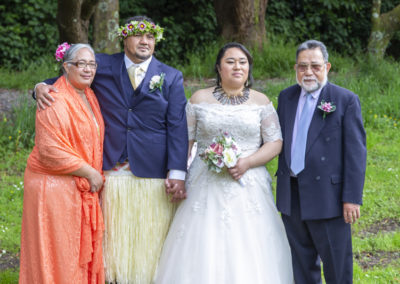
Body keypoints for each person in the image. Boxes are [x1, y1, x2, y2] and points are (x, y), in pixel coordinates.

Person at [35, 16, 188, 283]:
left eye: (150, 37)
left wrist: (177, 171)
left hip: (152, 169)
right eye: (138, 35)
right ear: (124, 37)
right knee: (112, 240)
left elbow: (177, 126)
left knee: (148, 238)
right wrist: (39, 87)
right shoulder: (102, 65)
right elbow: (67, 78)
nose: (144, 41)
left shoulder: (171, 77)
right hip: (109, 168)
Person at [153, 42, 293, 284]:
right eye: (230, 61)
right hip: (204, 180)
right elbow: (185, 141)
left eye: (243, 62)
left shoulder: (261, 102)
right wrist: (177, 174)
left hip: (248, 182)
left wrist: (247, 163)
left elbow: (275, 142)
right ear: (219, 68)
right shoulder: (199, 98)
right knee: (202, 240)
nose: (237, 66)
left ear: (249, 68)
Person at [275, 40, 367, 284]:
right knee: (301, 266)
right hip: (291, 194)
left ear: (327, 66)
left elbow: (356, 153)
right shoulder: (286, 97)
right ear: (295, 68)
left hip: (330, 197)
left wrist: (352, 197)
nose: (308, 72)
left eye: (315, 66)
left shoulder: (345, 99)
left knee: (337, 267)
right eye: (302, 66)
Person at [19, 43, 105, 283]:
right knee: (59, 253)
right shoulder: (53, 99)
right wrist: (90, 172)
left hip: (74, 185)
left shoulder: (87, 93)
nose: (87, 69)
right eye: (81, 64)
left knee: (71, 251)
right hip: (53, 187)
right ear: (66, 67)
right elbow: (49, 150)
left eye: (91, 64)